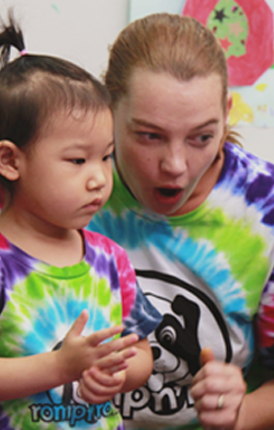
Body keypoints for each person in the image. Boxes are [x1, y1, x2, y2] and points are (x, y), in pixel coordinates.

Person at [87, 13, 274, 430]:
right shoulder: (63, 190)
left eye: (201, 137)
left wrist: (241, 413)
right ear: (109, 108)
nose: (175, 165)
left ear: (226, 114)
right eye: (149, 136)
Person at [0, 13, 161, 430]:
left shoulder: (111, 258)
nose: (99, 178)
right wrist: (60, 367)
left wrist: (116, 373)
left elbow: (142, 351)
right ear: (10, 160)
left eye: (105, 156)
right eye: (77, 160)